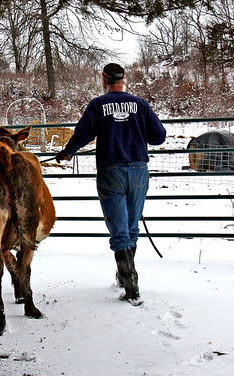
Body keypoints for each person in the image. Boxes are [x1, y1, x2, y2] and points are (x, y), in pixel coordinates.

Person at [55, 63, 166, 303]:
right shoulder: (140, 104)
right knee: (132, 225)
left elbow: (82, 134)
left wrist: (67, 152)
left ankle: (131, 286)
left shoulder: (98, 105)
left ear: (104, 79)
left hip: (110, 171)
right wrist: (135, 131)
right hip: (138, 170)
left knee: (119, 229)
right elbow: (159, 137)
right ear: (124, 79)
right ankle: (125, 277)